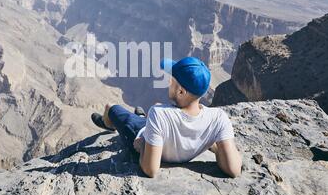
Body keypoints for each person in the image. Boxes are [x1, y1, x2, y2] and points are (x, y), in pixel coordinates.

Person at [91, 57, 242, 178]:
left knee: (110, 107)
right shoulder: (218, 118)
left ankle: (109, 124)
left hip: (142, 133)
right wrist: (216, 146)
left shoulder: (160, 113)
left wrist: (143, 143)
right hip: (159, 126)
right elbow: (234, 170)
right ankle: (143, 117)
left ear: (181, 92)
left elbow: (150, 170)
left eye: (172, 81)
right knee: (154, 109)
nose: (168, 82)